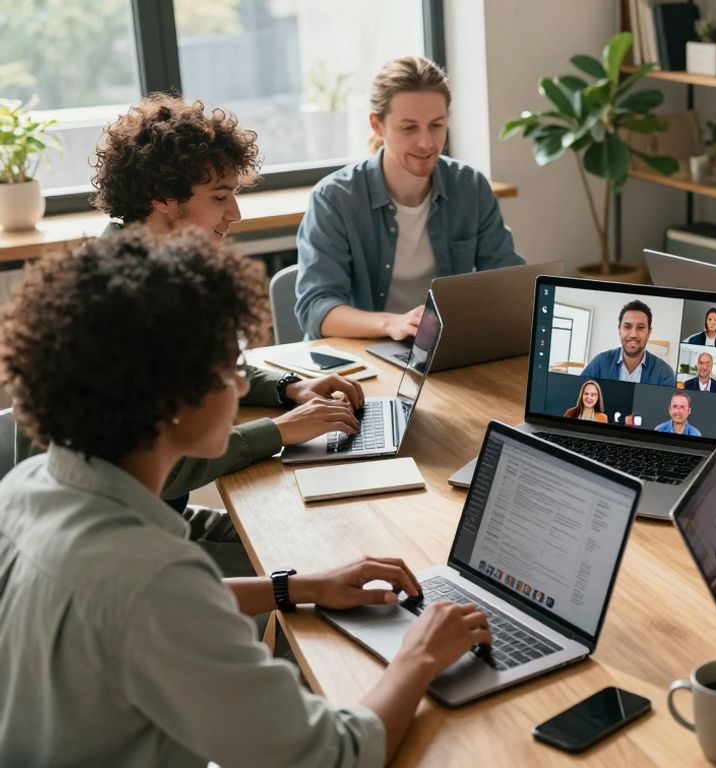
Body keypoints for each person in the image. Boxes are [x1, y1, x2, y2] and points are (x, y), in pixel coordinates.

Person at [0, 226, 493, 766]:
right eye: (228, 367)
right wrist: (419, 656)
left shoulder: (27, 488)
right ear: (171, 400)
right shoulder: (151, 581)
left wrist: (298, 587)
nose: (240, 387)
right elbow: (335, 754)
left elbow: (147, 611)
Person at [30, 94, 365, 576]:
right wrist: (280, 430)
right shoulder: (107, 306)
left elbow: (204, 363)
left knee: (316, 542)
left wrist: (289, 388)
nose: (235, 215)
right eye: (220, 196)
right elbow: (162, 465)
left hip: (160, 521)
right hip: (114, 554)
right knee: (311, 572)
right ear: (163, 197)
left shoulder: (153, 273)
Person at [295, 56, 524, 341]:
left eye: (437, 125)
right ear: (377, 125)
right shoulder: (334, 199)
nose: (426, 142)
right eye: (409, 128)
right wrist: (392, 324)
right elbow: (316, 309)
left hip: (444, 351)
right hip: (360, 357)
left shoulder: (470, 187)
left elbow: (509, 283)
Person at [580, 300, 676, 385]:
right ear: (619, 330)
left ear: (649, 332)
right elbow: (578, 396)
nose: (633, 334)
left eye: (640, 328)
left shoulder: (664, 373)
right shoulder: (600, 363)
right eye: (627, 326)